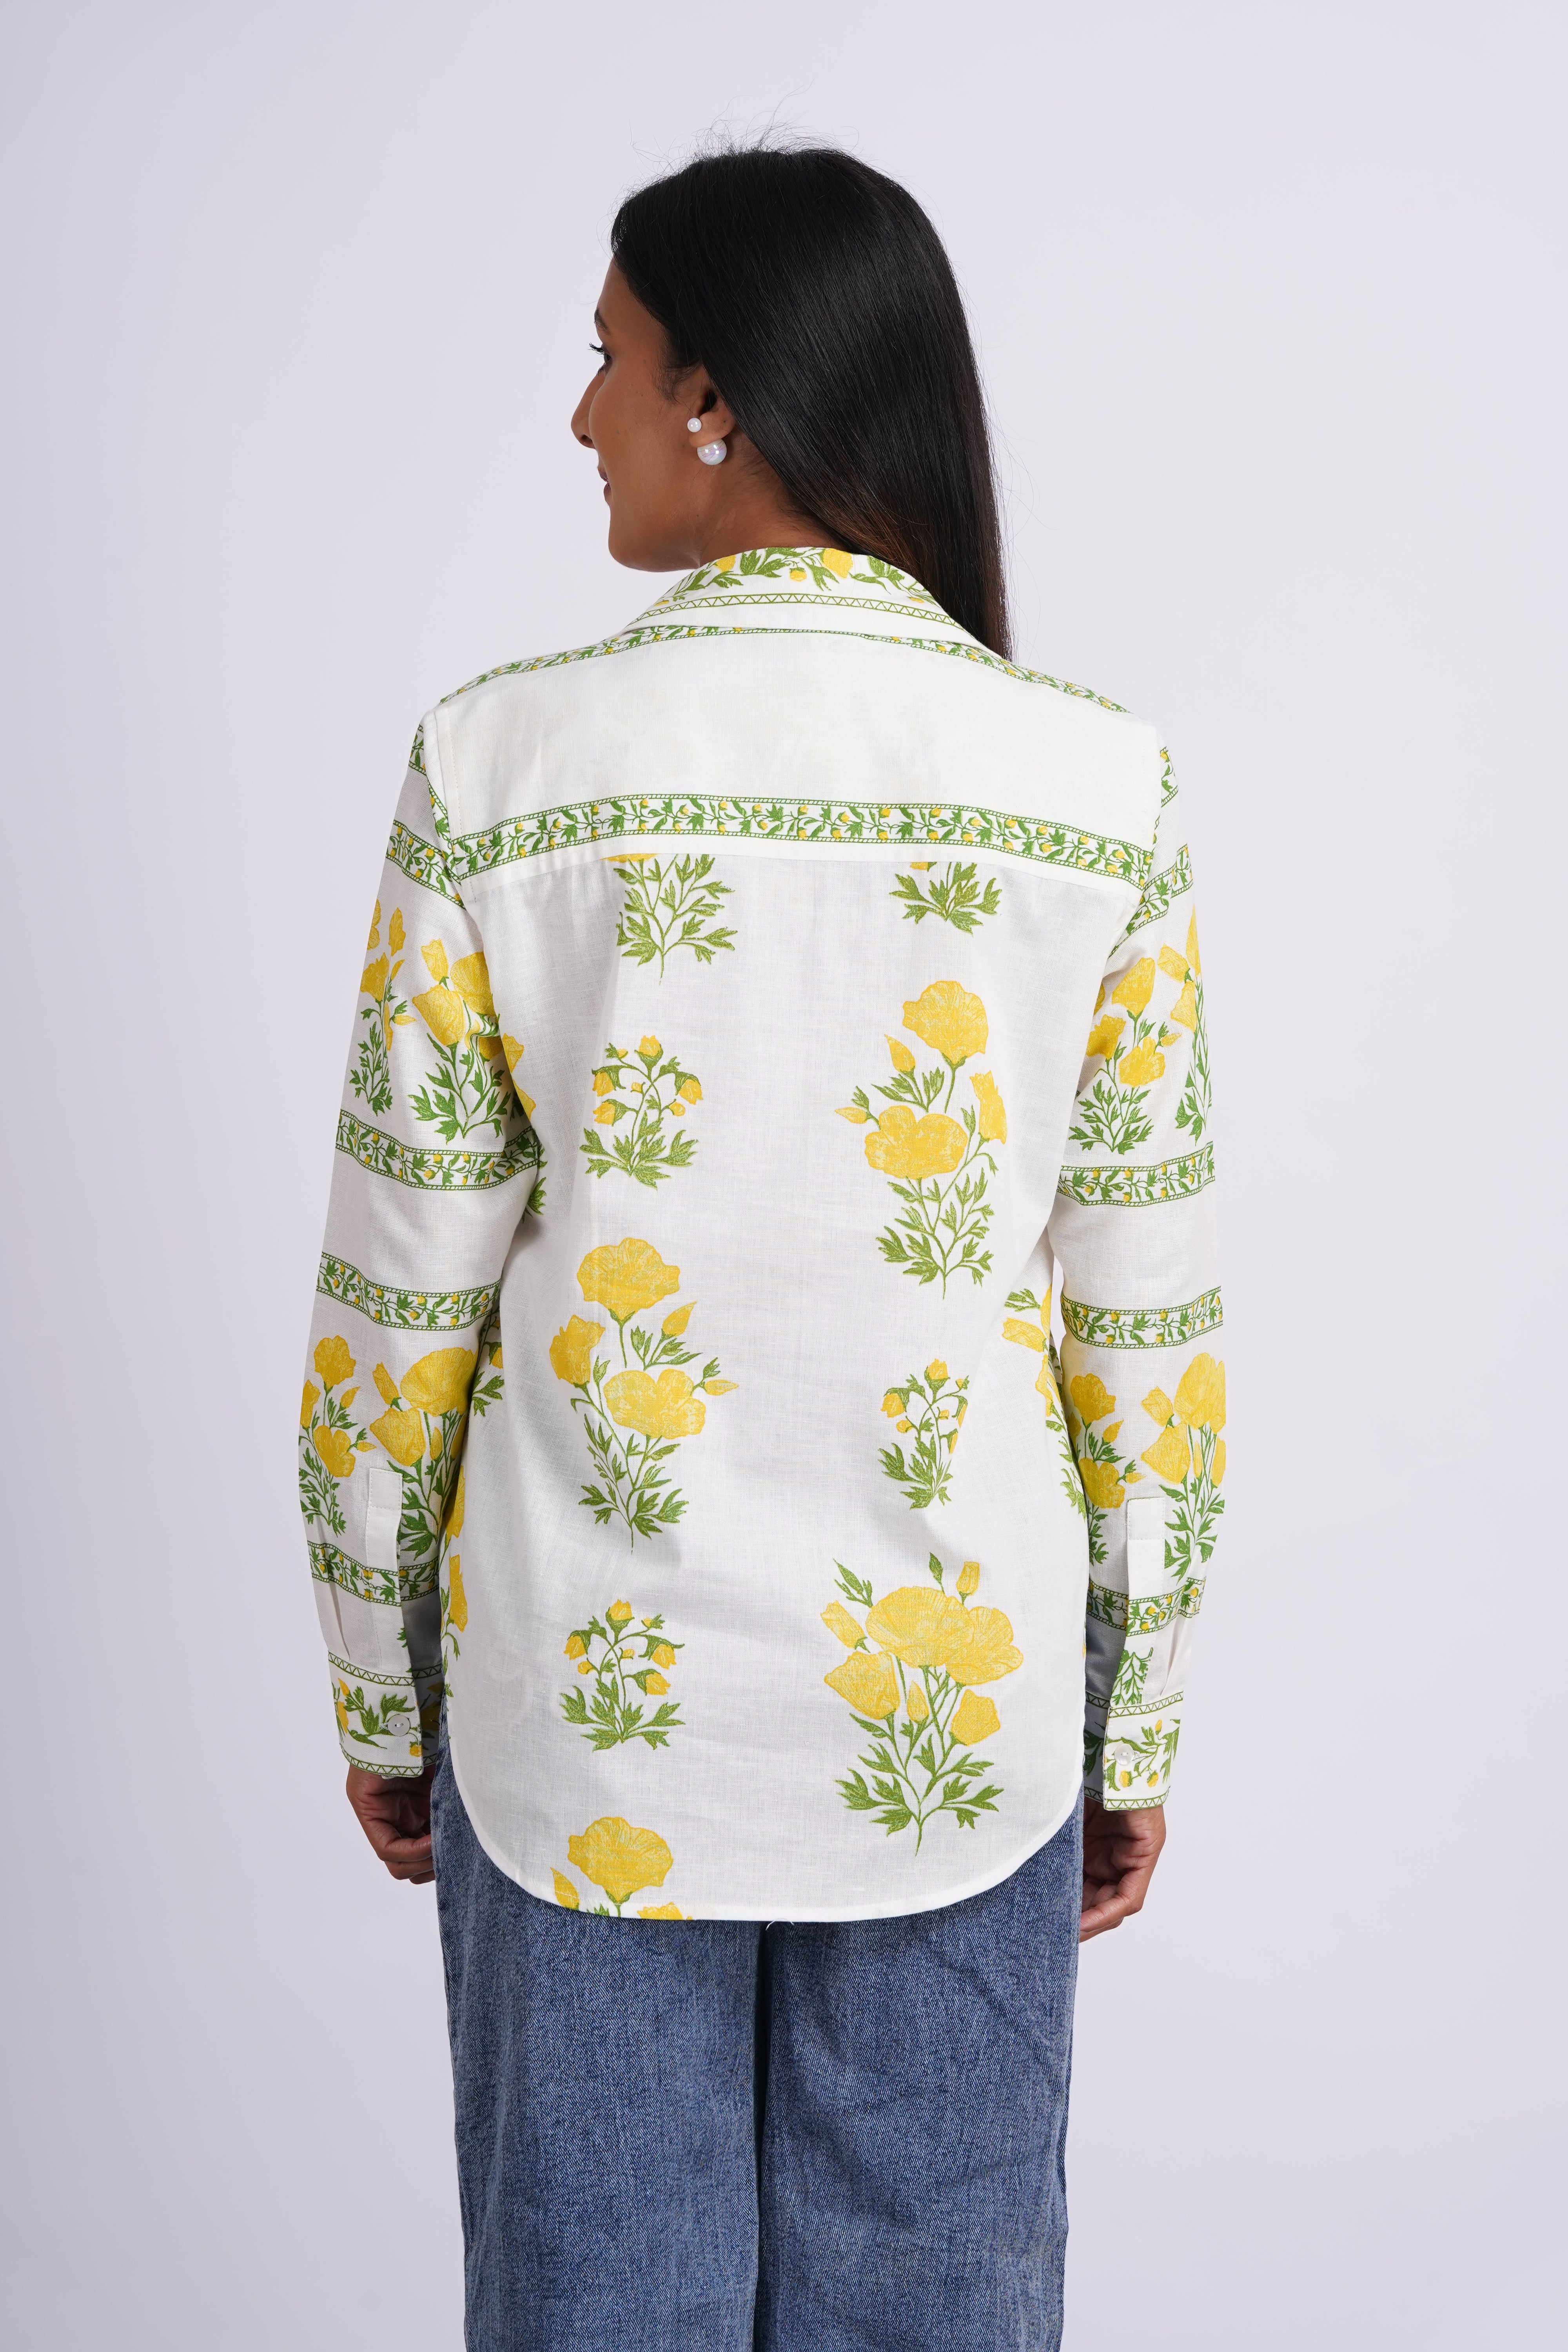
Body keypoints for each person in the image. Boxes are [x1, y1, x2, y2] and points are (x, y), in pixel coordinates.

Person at [299, 141, 1223, 2351]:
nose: (582, 414)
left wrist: (381, 1686)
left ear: (716, 396)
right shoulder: (1098, 788)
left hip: (584, 1743)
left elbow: (398, 1309)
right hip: (960, 1730)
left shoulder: (500, 765)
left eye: (608, 360)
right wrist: (1134, 1718)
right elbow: (1148, 1331)